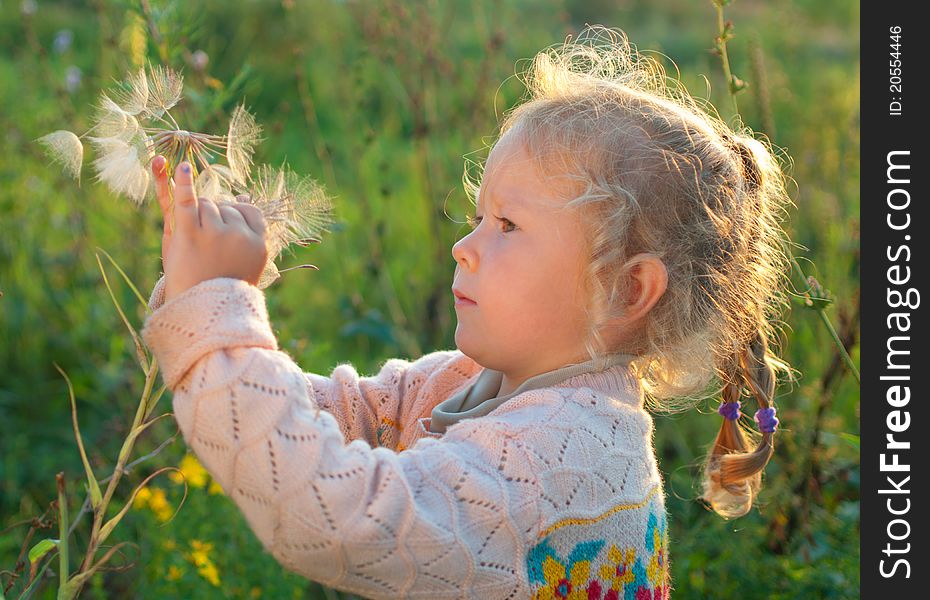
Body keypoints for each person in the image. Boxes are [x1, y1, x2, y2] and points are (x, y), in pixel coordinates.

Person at [141, 25, 794, 600]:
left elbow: (336, 519)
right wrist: (206, 301)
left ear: (625, 291)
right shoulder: (475, 380)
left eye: (507, 225)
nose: (464, 246)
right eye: (478, 216)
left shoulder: (561, 459)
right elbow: (343, 419)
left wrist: (218, 318)